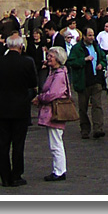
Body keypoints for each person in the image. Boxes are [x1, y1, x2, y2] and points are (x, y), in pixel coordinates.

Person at [0, 35, 37, 186]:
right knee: (18, 144)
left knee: (3, 144)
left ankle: (4, 175)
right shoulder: (26, 62)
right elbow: (32, 84)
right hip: (20, 108)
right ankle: (16, 174)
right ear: (20, 46)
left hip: (2, 107)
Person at [33, 46, 71, 181]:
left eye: (51, 56)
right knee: (55, 140)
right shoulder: (54, 72)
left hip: (54, 110)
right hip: (51, 110)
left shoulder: (59, 74)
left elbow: (53, 94)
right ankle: (58, 169)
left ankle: (59, 170)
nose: (48, 58)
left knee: (56, 141)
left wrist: (40, 98)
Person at [67, 27, 108, 140]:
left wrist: (101, 64)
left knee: (97, 105)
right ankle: (85, 129)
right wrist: (83, 60)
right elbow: (71, 62)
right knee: (83, 107)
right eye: (89, 35)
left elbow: (104, 58)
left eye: (93, 35)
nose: (92, 37)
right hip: (83, 81)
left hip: (96, 80)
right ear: (84, 36)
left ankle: (98, 129)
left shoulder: (96, 46)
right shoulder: (77, 48)